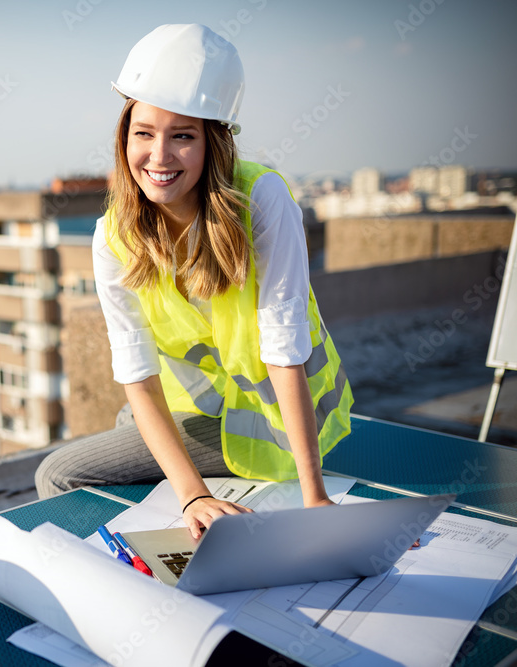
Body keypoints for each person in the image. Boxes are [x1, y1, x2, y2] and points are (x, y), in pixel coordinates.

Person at [35, 24, 353, 540]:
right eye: (144, 133)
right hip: (204, 411)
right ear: (124, 137)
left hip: (274, 421)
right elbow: (137, 375)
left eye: (182, 135)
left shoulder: (263, 201)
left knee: (57, 473)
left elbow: (283, 346)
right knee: (127, 418)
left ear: (213, 142)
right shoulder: (111, 238)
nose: (158, 156)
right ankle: (163, 544)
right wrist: (194, 493)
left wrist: (314, 497)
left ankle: (124, 562)